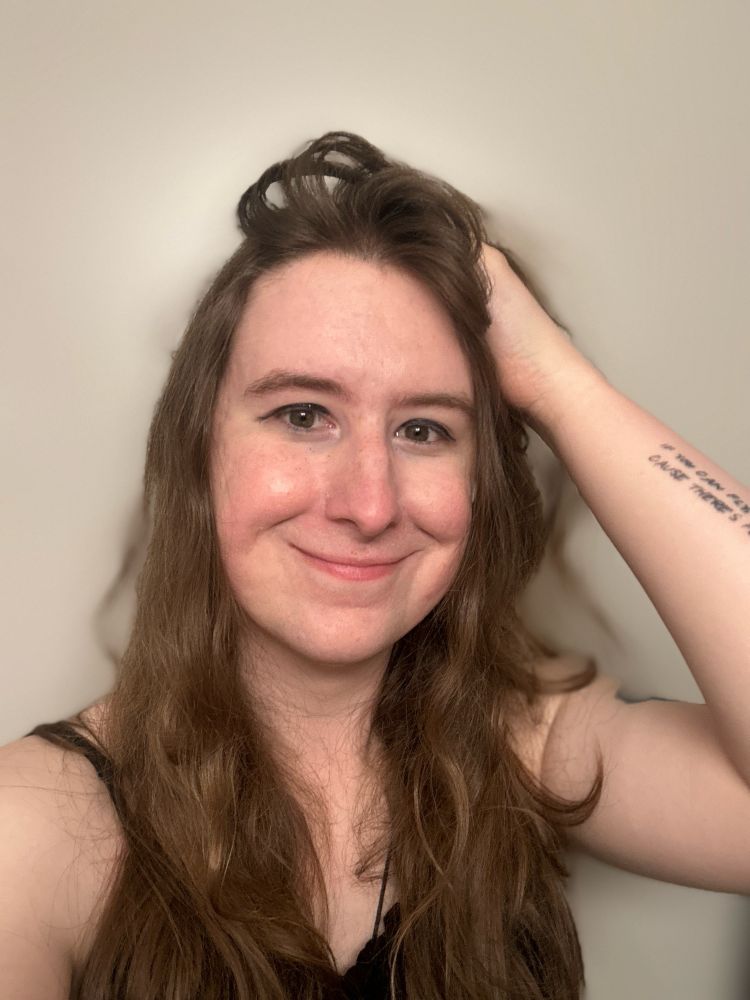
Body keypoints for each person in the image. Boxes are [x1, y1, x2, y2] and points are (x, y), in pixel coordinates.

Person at [1, 130, 748, 1000]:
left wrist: (558, 383)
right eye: (302, 414)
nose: (369, 503)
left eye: (424, 429)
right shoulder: (37, 828)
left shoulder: (525, 747)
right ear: (199, 451)